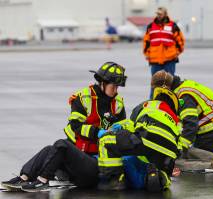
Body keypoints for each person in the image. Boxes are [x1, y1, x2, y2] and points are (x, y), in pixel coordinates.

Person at [1, 62, 128, 192]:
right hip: (81, 155)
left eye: (118, 87)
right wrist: (98, 132)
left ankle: (42, 181)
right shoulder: (84, 97)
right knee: (49, 149)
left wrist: (119, 129)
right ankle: (24, 178)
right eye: (114, 86)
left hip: (97, 165)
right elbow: (76, 125)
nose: (116, 90)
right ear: (103, 82)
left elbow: (123, 129)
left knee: (61, 145)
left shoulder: (117, 103)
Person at [97, 87, 182, 192]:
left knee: (106, 140)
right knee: (163, 170)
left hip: (147, 138)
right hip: (168, 152)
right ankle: (162, 178)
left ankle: (114, 181)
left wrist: (115, 127)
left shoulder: (148, 105)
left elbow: (131, 124)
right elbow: (179, 149)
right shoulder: (175, 120)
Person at [143, 7, 185, 98]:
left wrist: (176, 53)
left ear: (165, 14)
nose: (158, 16)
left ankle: (171, 102)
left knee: (170, 83)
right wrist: (147, 54)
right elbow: (146, 41)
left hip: (169, 60)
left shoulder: (173, 26)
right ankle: (153, 103)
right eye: (157, 14)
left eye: (160, 14)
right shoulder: (151, 26)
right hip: (155, 60)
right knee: (155, 84)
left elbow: (180, 40)